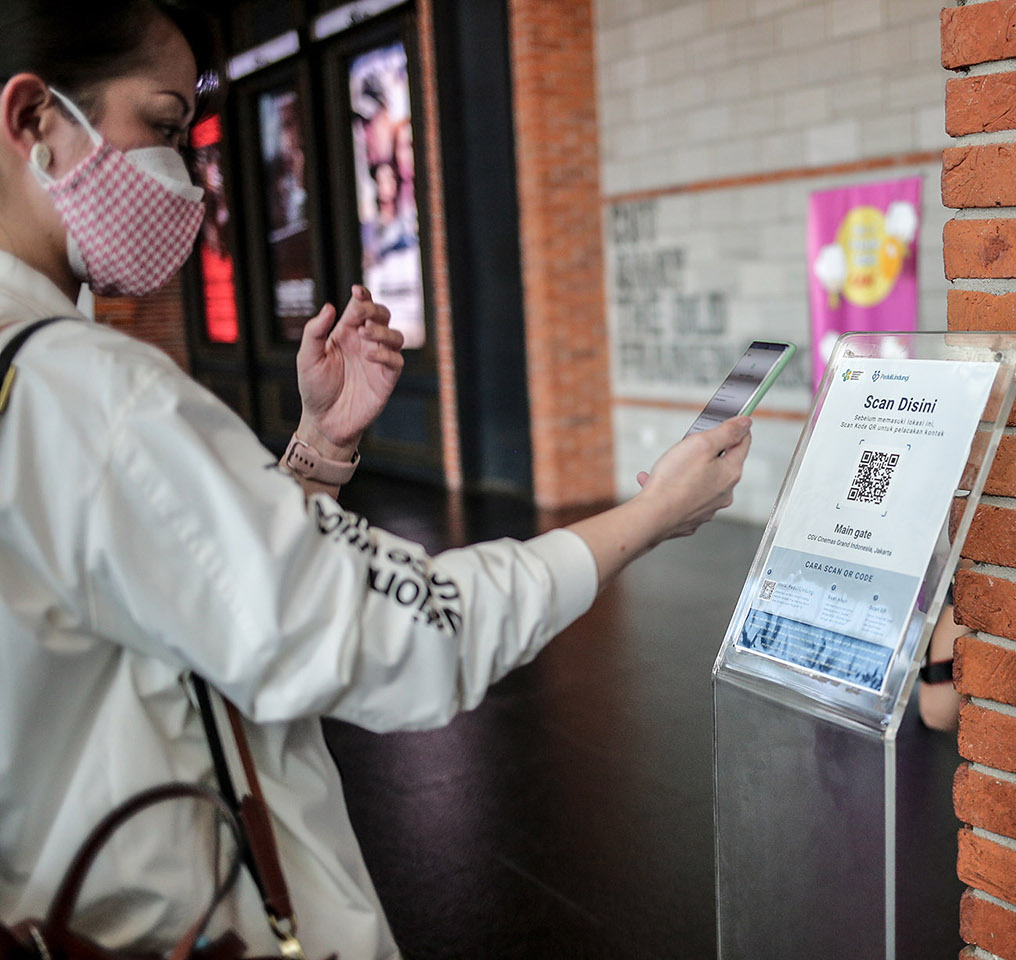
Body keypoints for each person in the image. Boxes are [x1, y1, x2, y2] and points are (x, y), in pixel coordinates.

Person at [0, 3, 752, 957]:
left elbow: (181, 583)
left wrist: (316, 445)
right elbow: (406, 631)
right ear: (33, 121)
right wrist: (650, 515)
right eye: (160, 125)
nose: (184, 178)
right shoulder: (90, 390)